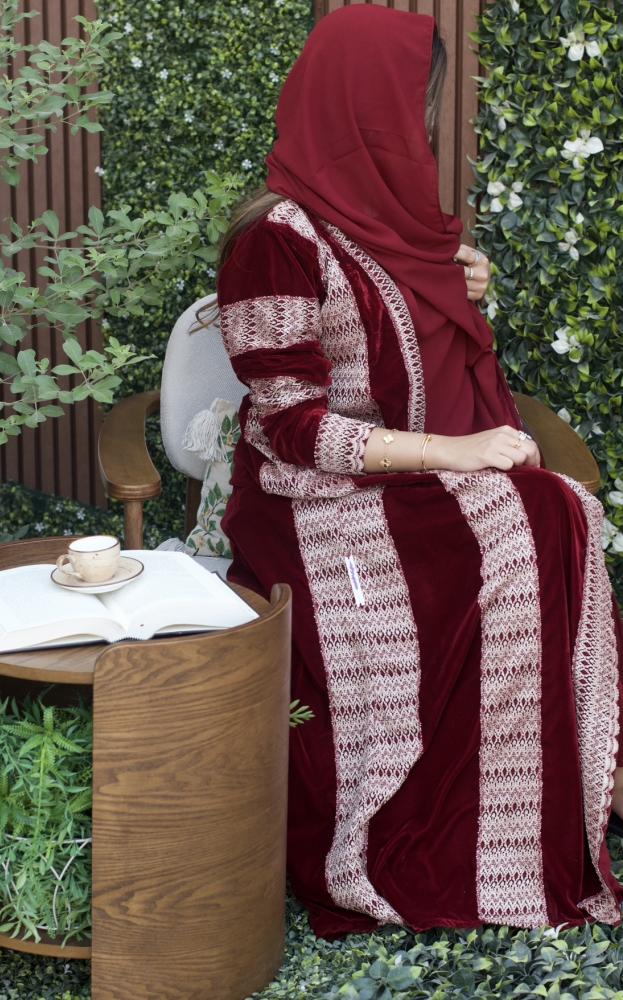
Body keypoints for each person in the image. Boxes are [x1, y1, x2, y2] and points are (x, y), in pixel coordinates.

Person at [215, 5, 623, 937]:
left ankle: (559, 798)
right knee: (537, 517)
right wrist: (456, 453)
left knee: (554, 513)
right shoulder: (274, 238)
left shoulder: (395, 221)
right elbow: (289, 427)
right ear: (359, 104)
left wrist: (458, 291)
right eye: (413, 99)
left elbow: (426, 354)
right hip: (310, 495)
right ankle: (476, 826)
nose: (424, 121)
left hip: (404, 475)